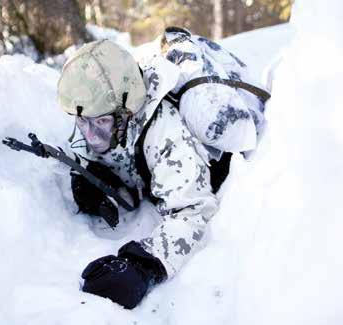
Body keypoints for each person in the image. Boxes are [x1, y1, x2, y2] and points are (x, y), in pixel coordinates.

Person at [57, 27, 266, 309]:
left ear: (126, 111)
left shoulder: (164, 133)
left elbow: (194, 210)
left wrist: (142, 265)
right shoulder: (105, 110)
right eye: (83, 123)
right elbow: (99, 140)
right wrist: (89, 178)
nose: (90, 135)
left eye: (102, 123)